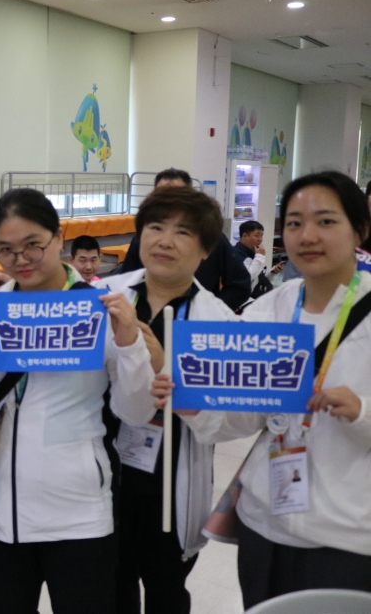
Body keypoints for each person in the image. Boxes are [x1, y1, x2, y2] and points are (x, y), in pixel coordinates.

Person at [153, 171, 371, 607]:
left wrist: (361, 410)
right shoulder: (271, 308)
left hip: (348, 536)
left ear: (359, 230)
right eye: (294, 223)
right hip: (263, 522)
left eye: (326, 221)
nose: (307, 236)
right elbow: (242, 418)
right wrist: (191, 402)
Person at [0, 188, 157, 614]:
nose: (21, 259)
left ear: (59, 237)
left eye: (33, 244)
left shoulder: (100, 311)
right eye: (6, 250)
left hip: (78, 514)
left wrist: (129, 344)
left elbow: (137, 411)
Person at [100, 187, 237, 614]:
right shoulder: (105, 296)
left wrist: (167, 368)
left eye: (183, 232)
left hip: (172, 480)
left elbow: (224, 420)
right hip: (106, 472)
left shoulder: (218, 321)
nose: (165, 241)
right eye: (156, 227)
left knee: (167, 591)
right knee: (111, 588)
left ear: (206, 250)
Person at [115, 168, 251, 310]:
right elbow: (126, 281)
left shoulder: (213, 239)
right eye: (161, 195)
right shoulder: (143, 239)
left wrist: (208, 310)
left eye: (178, 195)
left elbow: (240, 285)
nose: (169, 202)